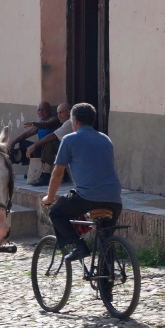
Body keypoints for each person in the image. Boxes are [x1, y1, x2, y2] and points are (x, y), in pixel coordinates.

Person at [42, 102, 122, 262]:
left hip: (87, 197)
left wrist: (49, 197)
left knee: (56, 212)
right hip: (114, 199)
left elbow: (57, 174)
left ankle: (79, 246)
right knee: (106, 240)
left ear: (75, 121)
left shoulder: (69, 139)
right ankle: (107, 282)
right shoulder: (105, 139)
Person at [25, 102, 72, 186]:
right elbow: (27, 134)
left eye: (61, 112)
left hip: (73, 151)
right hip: (69, 150)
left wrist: (34, 145)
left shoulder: (68, 122)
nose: (59, 115)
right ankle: (61, 173)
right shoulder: (66, 122)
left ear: (69, 112)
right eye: (57, 113)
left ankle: (46, 175)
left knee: (49, 143)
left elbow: (52, 134)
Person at [5, 101, 60, 166]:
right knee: (22, 143)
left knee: (35, 147)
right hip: (39, 147)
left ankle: (37, 169)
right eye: (39, 110)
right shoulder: (40, 123)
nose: (40, 112)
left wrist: (33, 123)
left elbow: (47, 125)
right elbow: (26, 134)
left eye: (43, 109)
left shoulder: (54, 120)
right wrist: (13, 142)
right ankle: (31, 167)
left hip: (49, 148)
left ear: (49, 110)